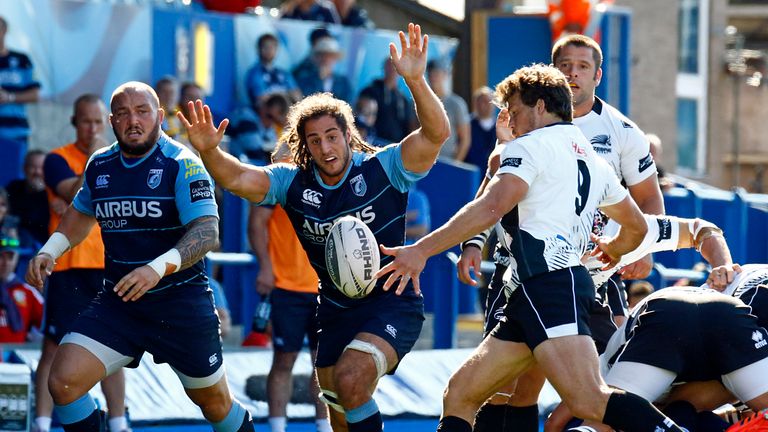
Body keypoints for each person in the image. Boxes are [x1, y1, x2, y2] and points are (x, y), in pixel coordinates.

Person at [376, 63, 686, 432]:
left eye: (516, 110)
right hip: (539, 289)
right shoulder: (590, 156)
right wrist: (616, 250)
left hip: (548, 287)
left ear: (540, 106)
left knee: (587, 399)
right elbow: (637, 225)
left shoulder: (530, 146)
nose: (510, 120)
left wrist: (420, 250)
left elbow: (491, 206)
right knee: (459, 394)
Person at [179, 23, 449, 431]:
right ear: (304, 146)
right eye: (315, 140)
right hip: (335, 309)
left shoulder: (385, 167)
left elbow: (437, 133)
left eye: (332, 136)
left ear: (348, 136)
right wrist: (211, 152)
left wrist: (414, 80)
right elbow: (237, 179)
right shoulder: (292, 182)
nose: (326, 148)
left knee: (352, 379)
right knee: (340, 408)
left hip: (391, 301)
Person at [26, 81, 254, 432]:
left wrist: (156, 269)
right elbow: (80, 213)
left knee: (216, 405)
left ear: (160, 116)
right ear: (112, 122)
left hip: (181, 306)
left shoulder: (183, 164)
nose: (133, 121)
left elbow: (208, 232)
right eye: (123, 114)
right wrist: (50, 250)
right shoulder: (100, 165)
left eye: (142, 111)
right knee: (64, 382)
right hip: (121, 303)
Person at [36, 94, 128, 432]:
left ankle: (119, 422)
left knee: (115, 345)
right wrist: (94, 158)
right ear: (75, 122)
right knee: (54, 346)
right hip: (69, 265)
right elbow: (74, 197)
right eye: (85, 121)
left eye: (97, 121)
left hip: (109, 265)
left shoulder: (120, 161)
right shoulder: (56, 159)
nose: (92, 128)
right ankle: (42, 423)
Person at [247, 142, 330, 432]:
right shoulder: (282, 167)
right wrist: (266, 267)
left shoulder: (330, 173)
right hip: (286, 284)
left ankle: (324, 426)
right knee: (284, 360)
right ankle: (277, 428)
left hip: (325, 287)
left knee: (325, 364)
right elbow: (257, 222)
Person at [0, 15, 41, 147]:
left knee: (13, 168)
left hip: (16, 134)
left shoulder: (22, 60)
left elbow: (35, 95)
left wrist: (9, 97)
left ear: (5, 30)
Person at [359, 58, 417, 143]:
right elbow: (362, 118)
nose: (392, 70)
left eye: (396, 67)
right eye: (390, 66)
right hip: (373, 142)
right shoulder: (370, 91)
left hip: (396, 148)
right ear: (384, 68)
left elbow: (408, 126)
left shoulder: (403, 100)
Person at [0, 234, 43, 343]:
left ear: (17, 259)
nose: (6, 263)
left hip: (15, 355)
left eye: (10, 257)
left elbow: (46, 324)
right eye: (1, 256)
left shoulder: (28, 292)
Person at [426, 58, 470, 163]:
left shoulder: (456, 104)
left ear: (445, 75)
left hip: (447, 162)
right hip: (422, 164)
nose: (433, 77)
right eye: (430, 73)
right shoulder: (417, 102)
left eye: (437, 73)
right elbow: (412, 131)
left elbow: (465, 139)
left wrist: (455, 164)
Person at [244, 33, 302, 107]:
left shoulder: (284, 73)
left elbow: (298, 97)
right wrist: (287, 94)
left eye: (272, 47)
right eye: (266, 47)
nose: (269, 50)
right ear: (258, 49)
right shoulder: (254, 73)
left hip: (287, 113)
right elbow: (262, 100)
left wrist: (275, 95)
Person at [6, 149, 49, 247]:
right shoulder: (13, 188)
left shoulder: (55, 196)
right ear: (24, 168)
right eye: (33, 167)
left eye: (41, 168)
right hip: (12, 246)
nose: (37, 172)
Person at [293, 35, 352, 104]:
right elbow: (304, 101)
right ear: (316, 58)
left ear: (335, 59)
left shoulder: (343, 82)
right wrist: (320, 79)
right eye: (322, 55)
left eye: (330, 56)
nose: (325, 59)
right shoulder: (304, 80)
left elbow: (347, 104)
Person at [465, 86, 497, 169]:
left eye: (488, 102)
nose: (485, 105)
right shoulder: (467, 125)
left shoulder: (501, 126)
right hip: (471, 172)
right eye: (482, 102)